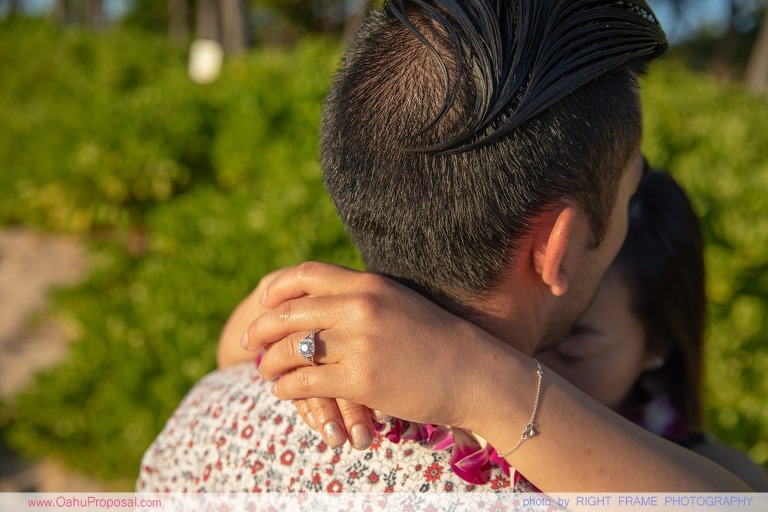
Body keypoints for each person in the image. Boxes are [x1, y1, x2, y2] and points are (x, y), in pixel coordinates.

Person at [138, 0, 749, 492]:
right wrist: (488, 384)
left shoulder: (207, 412)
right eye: (626, 192)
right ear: (555, 248)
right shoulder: (570, 488)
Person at [535, 171, 768, 490]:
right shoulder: (460, 447)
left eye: (570, 342)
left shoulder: (730, 482)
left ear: (658, 344)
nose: (531, 362)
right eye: (531, 326)